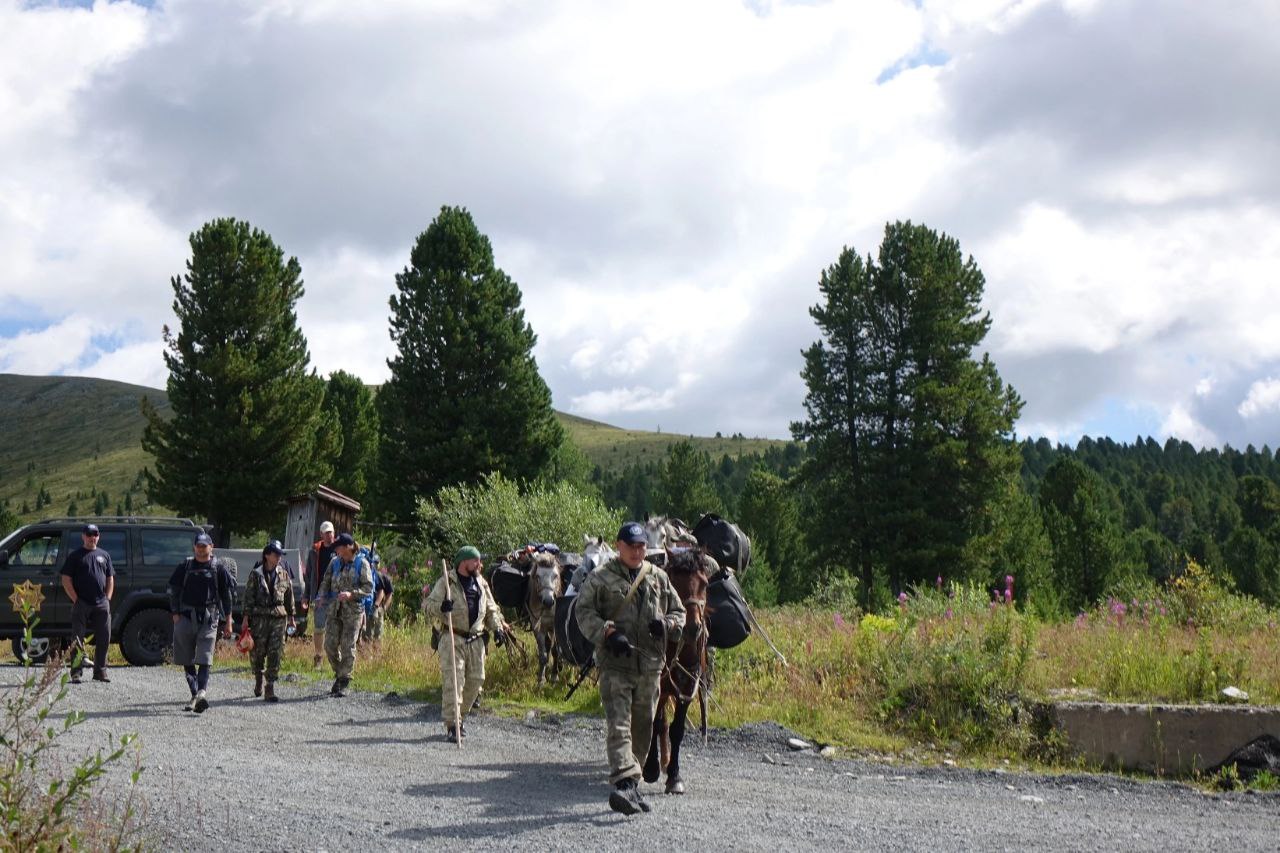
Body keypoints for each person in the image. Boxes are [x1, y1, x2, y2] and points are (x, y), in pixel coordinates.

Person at [576, 521, 686, 816]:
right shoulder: (600, 578)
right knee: (620, 724)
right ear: (619, 546)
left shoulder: (658, 577)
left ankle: (631, 785)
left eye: (641, 547)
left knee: (643, 726)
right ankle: (624, 783)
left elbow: (680, 612)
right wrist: (608, 634)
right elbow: (582, 612)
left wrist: (667, 624)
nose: (638, 552)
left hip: (650, 667)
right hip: (616, 666)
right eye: (632, 546)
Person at [423, 546, 511, 740]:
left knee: (477, 680)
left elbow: (491, 609)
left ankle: (460, 717)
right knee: (454, 682)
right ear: (464, 562)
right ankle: (452, 725)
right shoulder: (447, 582)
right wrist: (441, 607)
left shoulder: (481, 583)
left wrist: (497, 629)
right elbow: (427, 605)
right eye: (476, 561)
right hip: (453, 638)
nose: (480, 564)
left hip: (476, 641)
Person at [168, 532, 234, 713]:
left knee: (205, 658)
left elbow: (226, 597)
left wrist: (228, 620)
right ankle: (195, 695)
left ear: (211, 547)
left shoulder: (218, 568)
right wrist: (175, 613)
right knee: (186, 658)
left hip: (209, 618)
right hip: (185, 617)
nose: (201, 549)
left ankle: (201, 693)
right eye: (199, 546)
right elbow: (173, 590)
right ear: (194, 547)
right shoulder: (185, 565)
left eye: (205, 546)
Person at [316, 532, 373, 697]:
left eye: (339, 547)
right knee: (329, 645)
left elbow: (368, 588)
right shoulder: (335, 562)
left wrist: (352, 594)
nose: (337, 550)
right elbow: (326, 581)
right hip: (334, 609)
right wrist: (321, 596)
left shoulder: (362, 564)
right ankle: (339, 674)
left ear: (348, 547)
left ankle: (344, 679)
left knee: (348, 646)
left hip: (353, 612)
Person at [58, 523, 115, 684]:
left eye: (95, 534)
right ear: (83, 536)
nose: (92, 538)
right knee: (77, 637)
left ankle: (100, 672)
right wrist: (75, 598)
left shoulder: (105, 555)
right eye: (89, 535)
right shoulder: (75, 556)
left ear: (98, 536)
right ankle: (76, 672)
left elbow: (110, 578)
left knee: (104, 637)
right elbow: (65, 578)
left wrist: (108, 598)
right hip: (81, 602)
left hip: (101, 603)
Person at [243, 540, 296, 702]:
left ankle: (270, 686)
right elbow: (248, 597)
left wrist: (292, 617)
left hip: (279, 617)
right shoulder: (256, 574)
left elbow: (289, 597)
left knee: (276, 651)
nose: (279, 557)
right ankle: (258, 677)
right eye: (276, 554)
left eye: (280, 554)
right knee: (258, 651)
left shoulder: (284, 574)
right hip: (259, 618)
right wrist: (246, 618)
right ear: (267, 555)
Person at [308, 521, 338, 668]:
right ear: (321, 534)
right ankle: (318, 657)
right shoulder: (315, 550)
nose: (329, 535)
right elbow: (309, 574)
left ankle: (335, 657)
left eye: (331, 532)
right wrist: (306, 596)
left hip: (336, 595)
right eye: (326, 532)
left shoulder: (339, 548)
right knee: (319, 627)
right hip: (320, 595)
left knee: (335, 627)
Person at [362, 556, 394, 650]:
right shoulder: (365, 575)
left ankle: (376, 656)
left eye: (376, 563)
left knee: (377, 635)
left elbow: (387, 593)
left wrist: (383, 608)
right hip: (365, 608)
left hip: (377, 609)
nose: (374, 565)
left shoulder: (381, 577)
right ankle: (366, 655)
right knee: (366, 634)